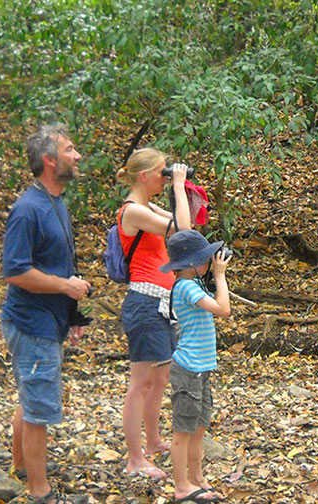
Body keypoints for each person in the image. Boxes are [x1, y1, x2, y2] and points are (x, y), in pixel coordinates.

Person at [1, 124, 91, 504]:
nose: (78, 155)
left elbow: (59, 263)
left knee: (30, 397)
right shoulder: (27, 210)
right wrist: (66, 287)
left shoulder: (57, 200)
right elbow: (15, 271)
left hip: (49, 321)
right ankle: (40, 490)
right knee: (39, 408)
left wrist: (70, 315)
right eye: (70, 149)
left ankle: (22, 466)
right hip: (30, 322)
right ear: (50, 161)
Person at [115, 148, 191, 479]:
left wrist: (180, 189)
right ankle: (134, 458)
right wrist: (178, 186)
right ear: (144, 176)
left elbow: (191, 222)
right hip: (145, 304)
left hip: (162, 304)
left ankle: (153, 441)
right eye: (161, 173)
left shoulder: (147, 207)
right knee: (141, 382)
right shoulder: (132, 211)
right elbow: (183, 232)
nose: (164, 177)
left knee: (160, 378)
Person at [160, 230, 232, 504]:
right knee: (183, 430)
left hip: (200, 367)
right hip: (189, 368)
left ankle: (196, 478)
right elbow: (223, 309)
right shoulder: (186, 287)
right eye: (204, 258)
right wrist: (220, 275)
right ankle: (181, 486)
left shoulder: (194, 284)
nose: (208, 262)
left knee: (199, 427)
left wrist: (213, 275)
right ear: (190, 263)